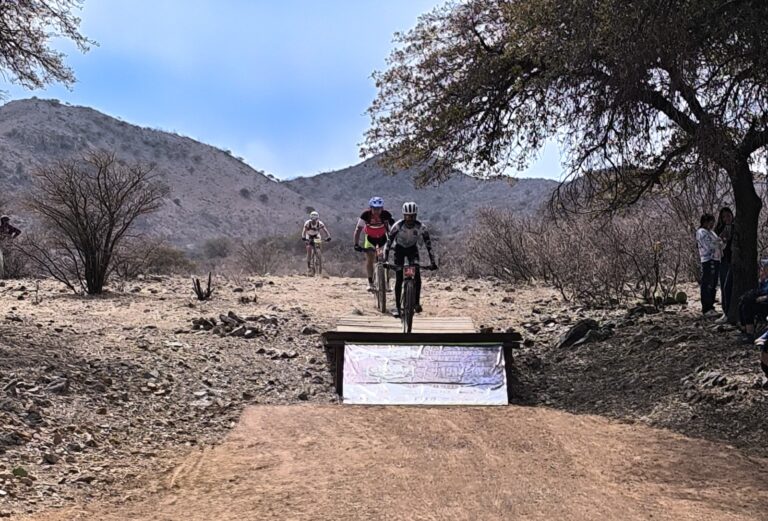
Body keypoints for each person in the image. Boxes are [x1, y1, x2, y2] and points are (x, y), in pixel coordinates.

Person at [384, 202, 437, 318]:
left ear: (416, 215)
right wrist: (385, 260)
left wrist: (433, 262)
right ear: (404, 215)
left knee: (416, 274)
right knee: (399, 278)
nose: (410, 219)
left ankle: (416, 303)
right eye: (408, 216)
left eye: (412, 216)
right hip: (399, 250)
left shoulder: (421, 227)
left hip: (412, 250)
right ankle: (398, 307)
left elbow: (429, 246)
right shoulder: (397, 226)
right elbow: (388, 244)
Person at [353, 197, 394, 291]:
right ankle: (371, 283)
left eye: (379, 208)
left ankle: (387, 283)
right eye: (374, 208)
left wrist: (395, 242)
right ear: (370, 208)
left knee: (384, 260)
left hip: (383, 238)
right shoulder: (365, 215)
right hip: (370, 239)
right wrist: (356, 244)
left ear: (382, 208)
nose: (376, 211)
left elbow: (394, 226)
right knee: (370, 259)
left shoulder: (386, 214)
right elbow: (358, 229)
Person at [696, 213, 722, 317]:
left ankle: (711, 306)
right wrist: (718, 243)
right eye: (710, 222)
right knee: (707, 283)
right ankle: (706, 308)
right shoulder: (701, 232)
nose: (712, 224)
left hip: (716, 259)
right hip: (708, 259)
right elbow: (708, 246)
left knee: (714, 283)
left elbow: (720, 243)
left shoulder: (711, 232)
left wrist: (721, 242)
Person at [714, 207, 734, 323]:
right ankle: (725, 312)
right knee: (724, 286)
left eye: (728, 215)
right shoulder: (719, 229)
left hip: (734, 260)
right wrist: (721, 239)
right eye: (724, 216)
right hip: (723, 260)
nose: (727, 218)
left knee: (730, 286)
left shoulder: (737, 227)